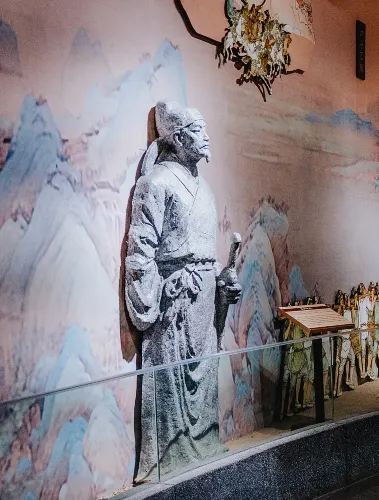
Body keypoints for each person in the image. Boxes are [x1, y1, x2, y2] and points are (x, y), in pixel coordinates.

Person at [125, 102, 241, 482]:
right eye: (198, 130)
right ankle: (166, 459)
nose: (206, 137)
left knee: (204, 379)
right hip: (173, 304)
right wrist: (156, 296)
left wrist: (222, 280)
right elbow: (140, 252)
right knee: (170, 383)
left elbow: (204, 255)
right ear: (177, 137)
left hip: (204, 302)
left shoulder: (204, 190)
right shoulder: (156, 183)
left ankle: (204, 444)